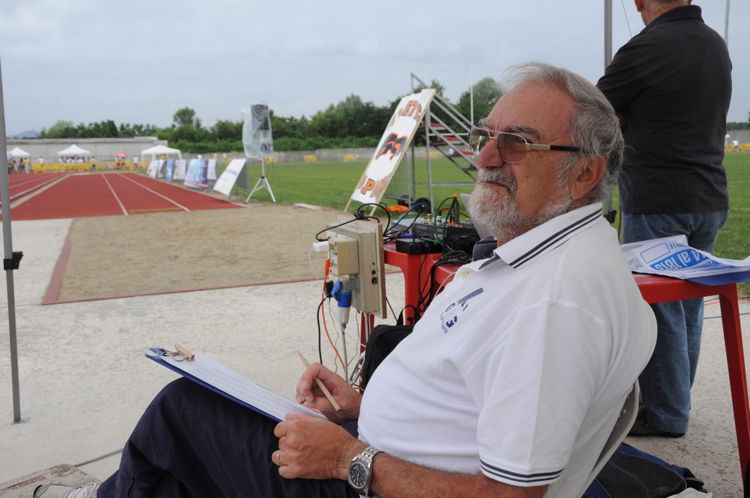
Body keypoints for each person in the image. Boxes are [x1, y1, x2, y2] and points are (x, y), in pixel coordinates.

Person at [35, 63, 656, 498]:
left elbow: (509, 495)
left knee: (182, 412)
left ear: (584, 174)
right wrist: (365, 406)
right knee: (192, 446)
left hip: (365, 482)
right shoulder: (551, 258)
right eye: (485, 136)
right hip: (374, 451)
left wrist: (347, 459)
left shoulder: (555, 302)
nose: (486, 158)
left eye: (516, 143)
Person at [597, 0, 732, 438]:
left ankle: (665, 412)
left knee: (658, 308)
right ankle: (675, 401)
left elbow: (595, 111)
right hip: (708, 196)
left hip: (659, 199)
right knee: (688, 304)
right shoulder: (714, 44)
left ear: (639, 3)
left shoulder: (646, 46)